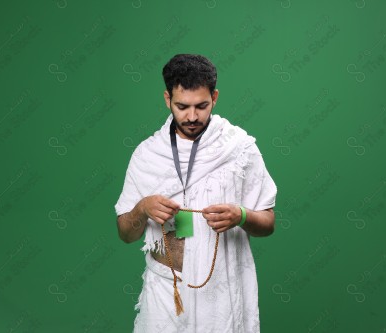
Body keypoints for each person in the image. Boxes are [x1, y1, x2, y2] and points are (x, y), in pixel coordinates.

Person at [114, 53, 277, 333]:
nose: (191, 116)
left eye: (201, 106)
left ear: (214, 97)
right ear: (167, 100)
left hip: (222, 293)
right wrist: (142, 208)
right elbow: (126, 234)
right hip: (166, 290)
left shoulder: (239, 149)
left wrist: (241, 216)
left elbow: (268, 224)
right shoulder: (147, 154)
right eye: (182, 106)